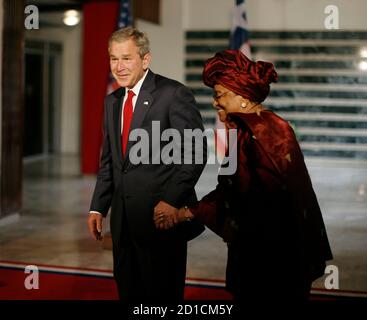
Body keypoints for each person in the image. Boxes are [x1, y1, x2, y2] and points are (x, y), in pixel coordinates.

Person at [154, 50, 333, 302]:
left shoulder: (262, 132)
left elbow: (247, 200)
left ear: (243, 98)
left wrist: (187, 212)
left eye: (219, 95)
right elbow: (230, 188)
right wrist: (189, 211)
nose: (215, 103)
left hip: (273, 257)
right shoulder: (252, 128)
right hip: (270, 251)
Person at [87, 27, 207, 302]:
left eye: (127, 58)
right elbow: (110, 162)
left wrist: (171, 200)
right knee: (129, 290)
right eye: (113, 59)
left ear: (146, 59)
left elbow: (194, 152)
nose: (119, 67)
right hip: (123, 222)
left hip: (161, 220)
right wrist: (98, 206)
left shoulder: (173, 95)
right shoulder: (112, 101)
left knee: (161, 295)